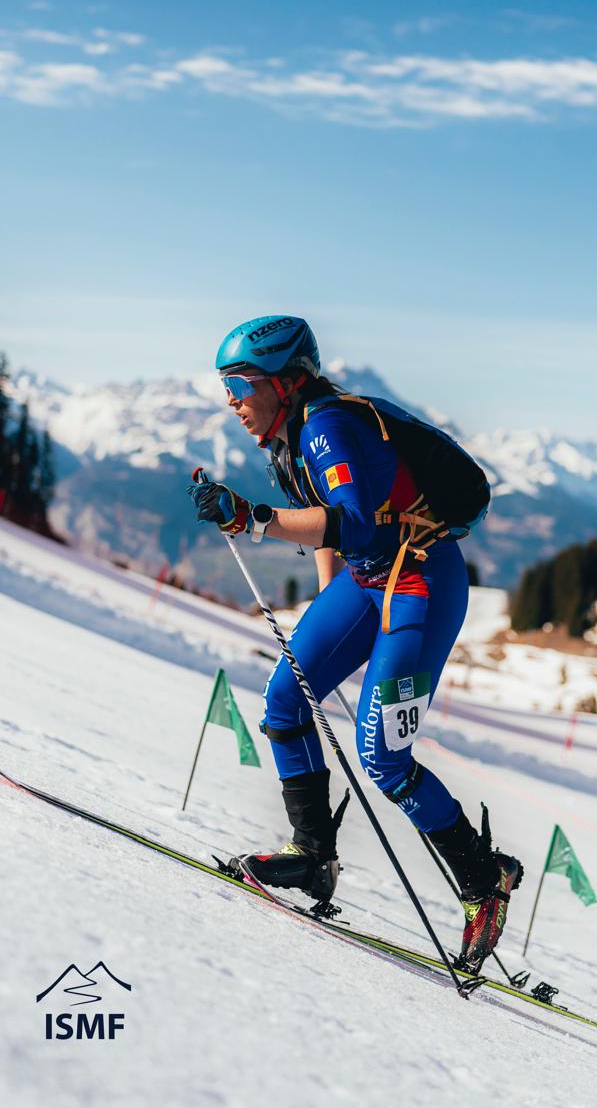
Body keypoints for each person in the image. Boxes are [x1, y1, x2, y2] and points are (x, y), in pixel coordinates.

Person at [187, 315, 522, 969]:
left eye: (241, 383)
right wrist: (326, 607)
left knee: (384, 757)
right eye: (226, 384)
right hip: (367, 581)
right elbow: (332, 530)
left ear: (285, 382)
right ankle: (312, 856)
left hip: (419, 585)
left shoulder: (326, 427)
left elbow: (353, 523)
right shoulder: (290, 435)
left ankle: (486, 879)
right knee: (287, 699)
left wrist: (252, 518)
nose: (231, 399)